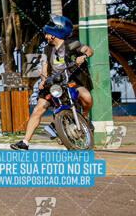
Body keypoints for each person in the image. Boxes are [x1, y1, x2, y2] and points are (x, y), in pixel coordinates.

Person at [11, 16, 94, 150]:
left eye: (48, 33)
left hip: (71, 80)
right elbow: (44, 67)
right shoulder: (46, 49)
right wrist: (43, 80)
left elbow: (89, 50)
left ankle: (84, 117)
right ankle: (25, 142)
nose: (46, 36)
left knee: (87, 97)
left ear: (55, 34)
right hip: (53, 83)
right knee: (38, 109)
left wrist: (83, 57)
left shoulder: (73, 44)